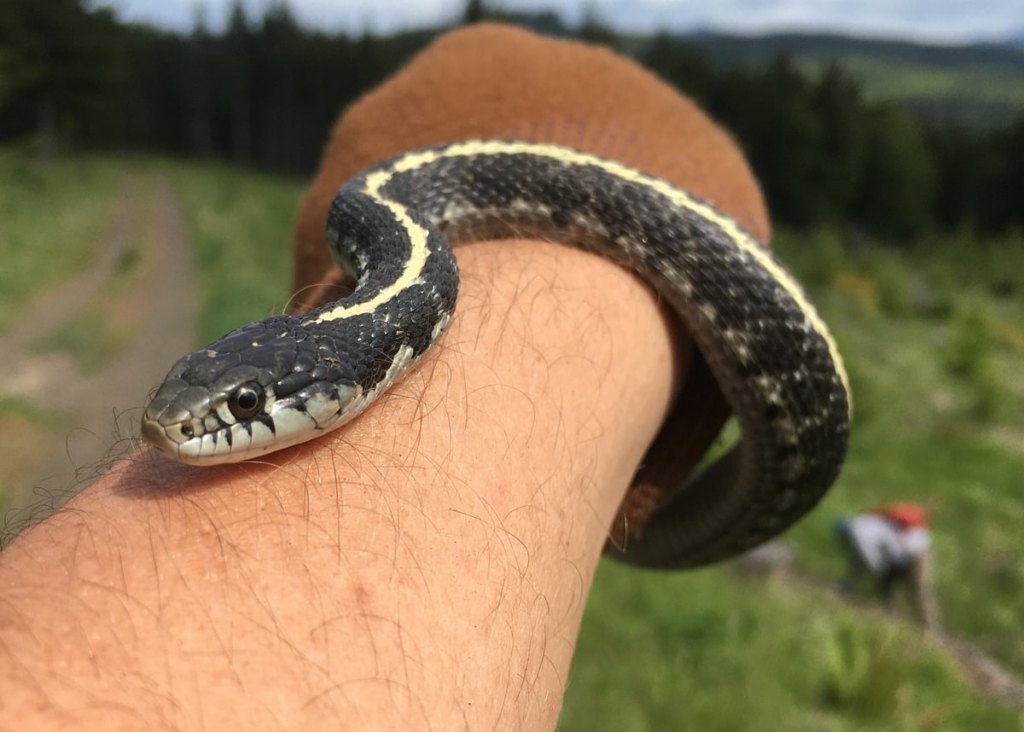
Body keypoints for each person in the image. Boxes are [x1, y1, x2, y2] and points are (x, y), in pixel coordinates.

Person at [0, 24, 770, 729]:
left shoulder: (384, 278)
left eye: (246, 404)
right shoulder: (385, 250)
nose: (180, 429)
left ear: (337, 387)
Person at [835, 502, 939, 630]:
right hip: (905, 552)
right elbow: (863, 557)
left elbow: (868, 555)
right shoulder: (865, 522)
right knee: (894, 587)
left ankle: (929, 628)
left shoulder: (858, 533)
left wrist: (881, 570)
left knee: (917, 589)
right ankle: (901, 620)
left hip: (915, 554)